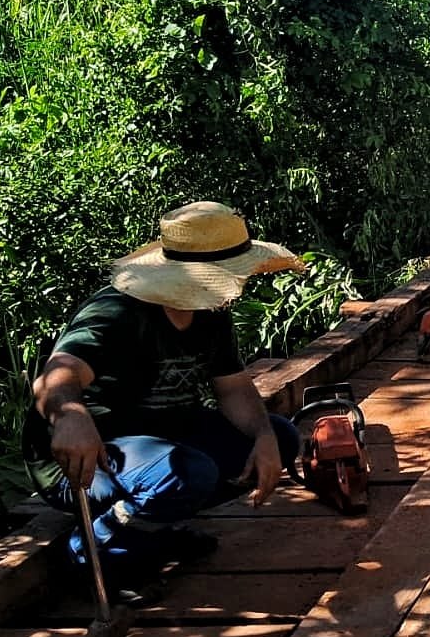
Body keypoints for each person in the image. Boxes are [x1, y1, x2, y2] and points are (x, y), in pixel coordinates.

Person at [25, 201, 306, 601]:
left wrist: (262, 436)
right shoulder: (116, 312)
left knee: (280, 437)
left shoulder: (210, 312)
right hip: (85, 456)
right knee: (187, 473)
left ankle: (154, 528)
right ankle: (92, 554)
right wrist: (71, 417)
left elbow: (233, 388)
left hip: (163, 436)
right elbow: (58, 375)